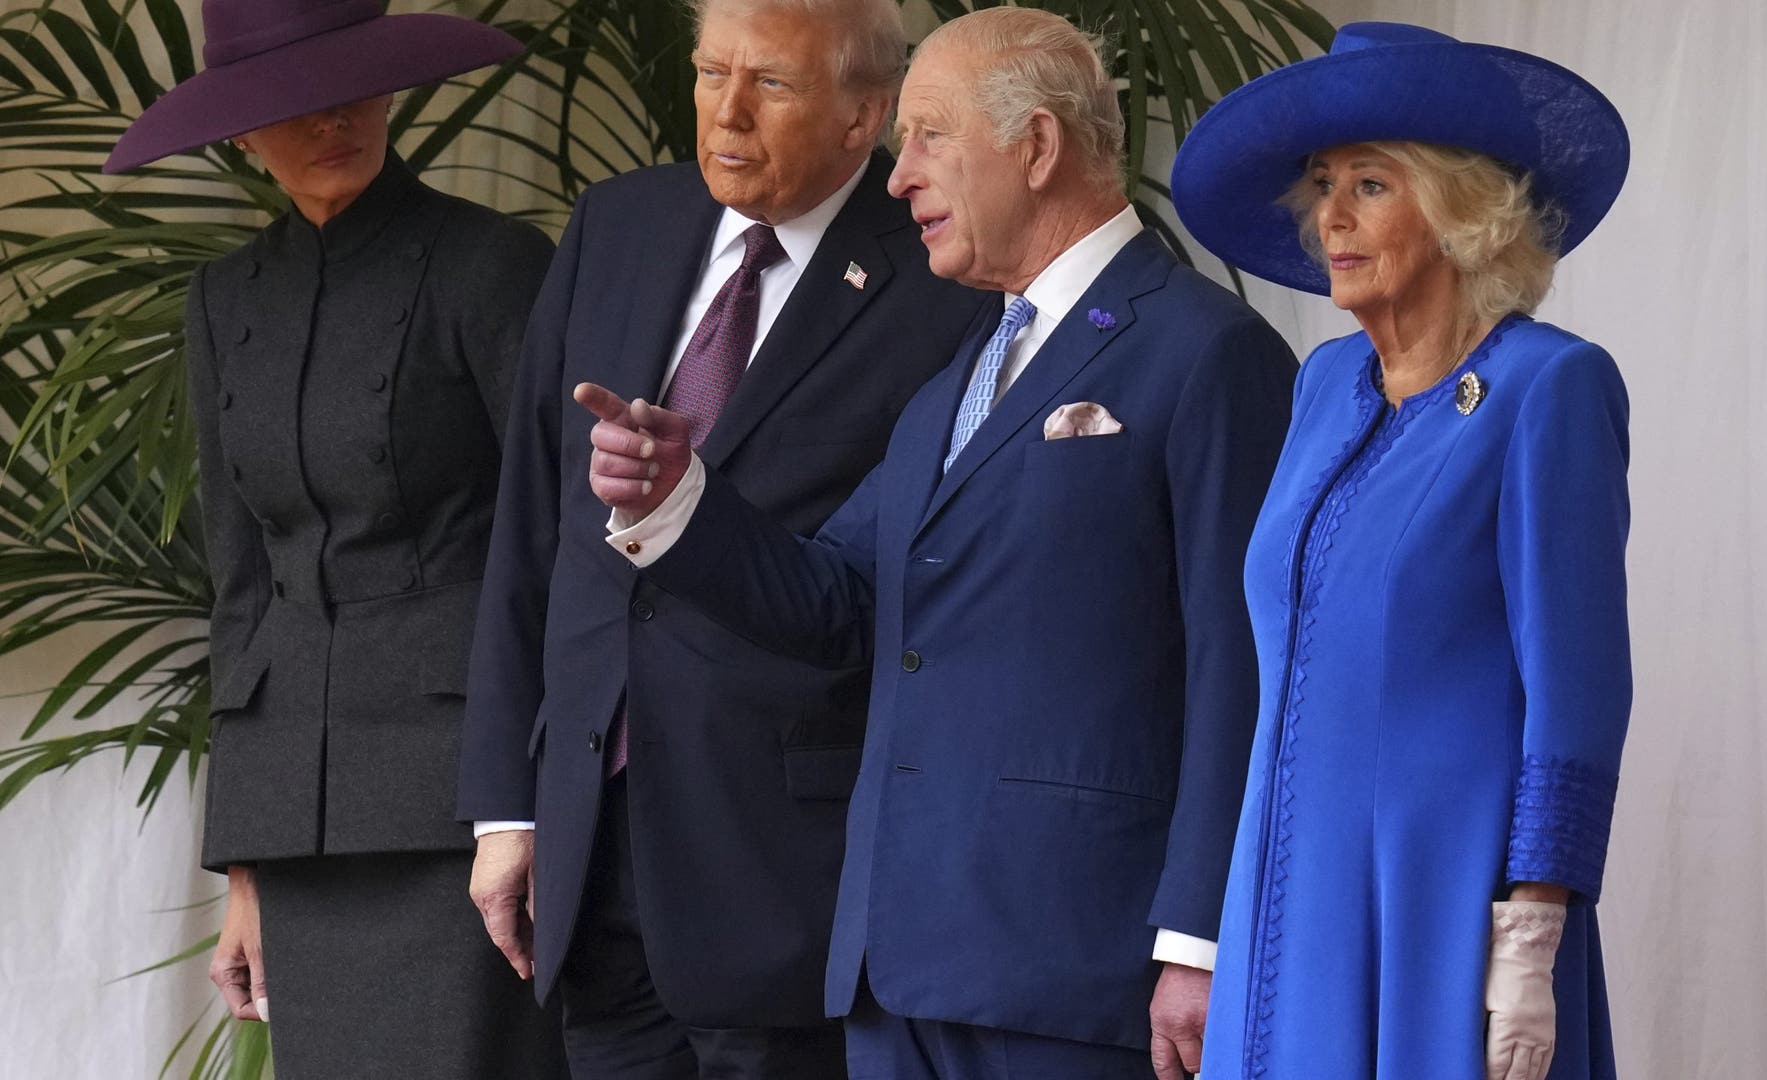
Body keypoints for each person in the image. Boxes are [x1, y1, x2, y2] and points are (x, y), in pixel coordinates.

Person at [575, 9, 1297, 1078]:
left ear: (1037, 149)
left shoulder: (1208, 352)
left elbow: (1245, 668)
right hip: (897, 967)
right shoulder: (960, 376)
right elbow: (838, 603)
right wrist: (680, 499)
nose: (899, 174)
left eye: (928, 137)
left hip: (1079, 973)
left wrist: (1198, 939)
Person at [452, 0, 989, 1075]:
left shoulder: (946, 281)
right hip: (593, 856)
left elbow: (916, 588)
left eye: (773, 84)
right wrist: (505, 810)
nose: (727, 113)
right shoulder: (617, 226)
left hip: (790, 876)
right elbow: (530, 533)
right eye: (710, 74)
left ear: (863, 114)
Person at [1168, 20, 1634, 1080]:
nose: (1329, 214)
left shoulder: (1545, 388)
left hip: (1445, 898)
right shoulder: (1322, 384)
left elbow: (1580, 691)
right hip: (1287, 885)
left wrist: (1532, 931)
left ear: (1462, 206)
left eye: (1371, 184)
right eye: (1323, 182)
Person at [107, 1, 564, 1076]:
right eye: (297, 104)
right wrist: (248, 872)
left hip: (466, 810)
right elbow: (240, 586)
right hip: (305, 836)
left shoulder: (489, 264)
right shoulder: (223, 299)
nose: (334, 121)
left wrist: (526, 808)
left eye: (354, 87)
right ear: (242, 128)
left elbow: (556, 543)